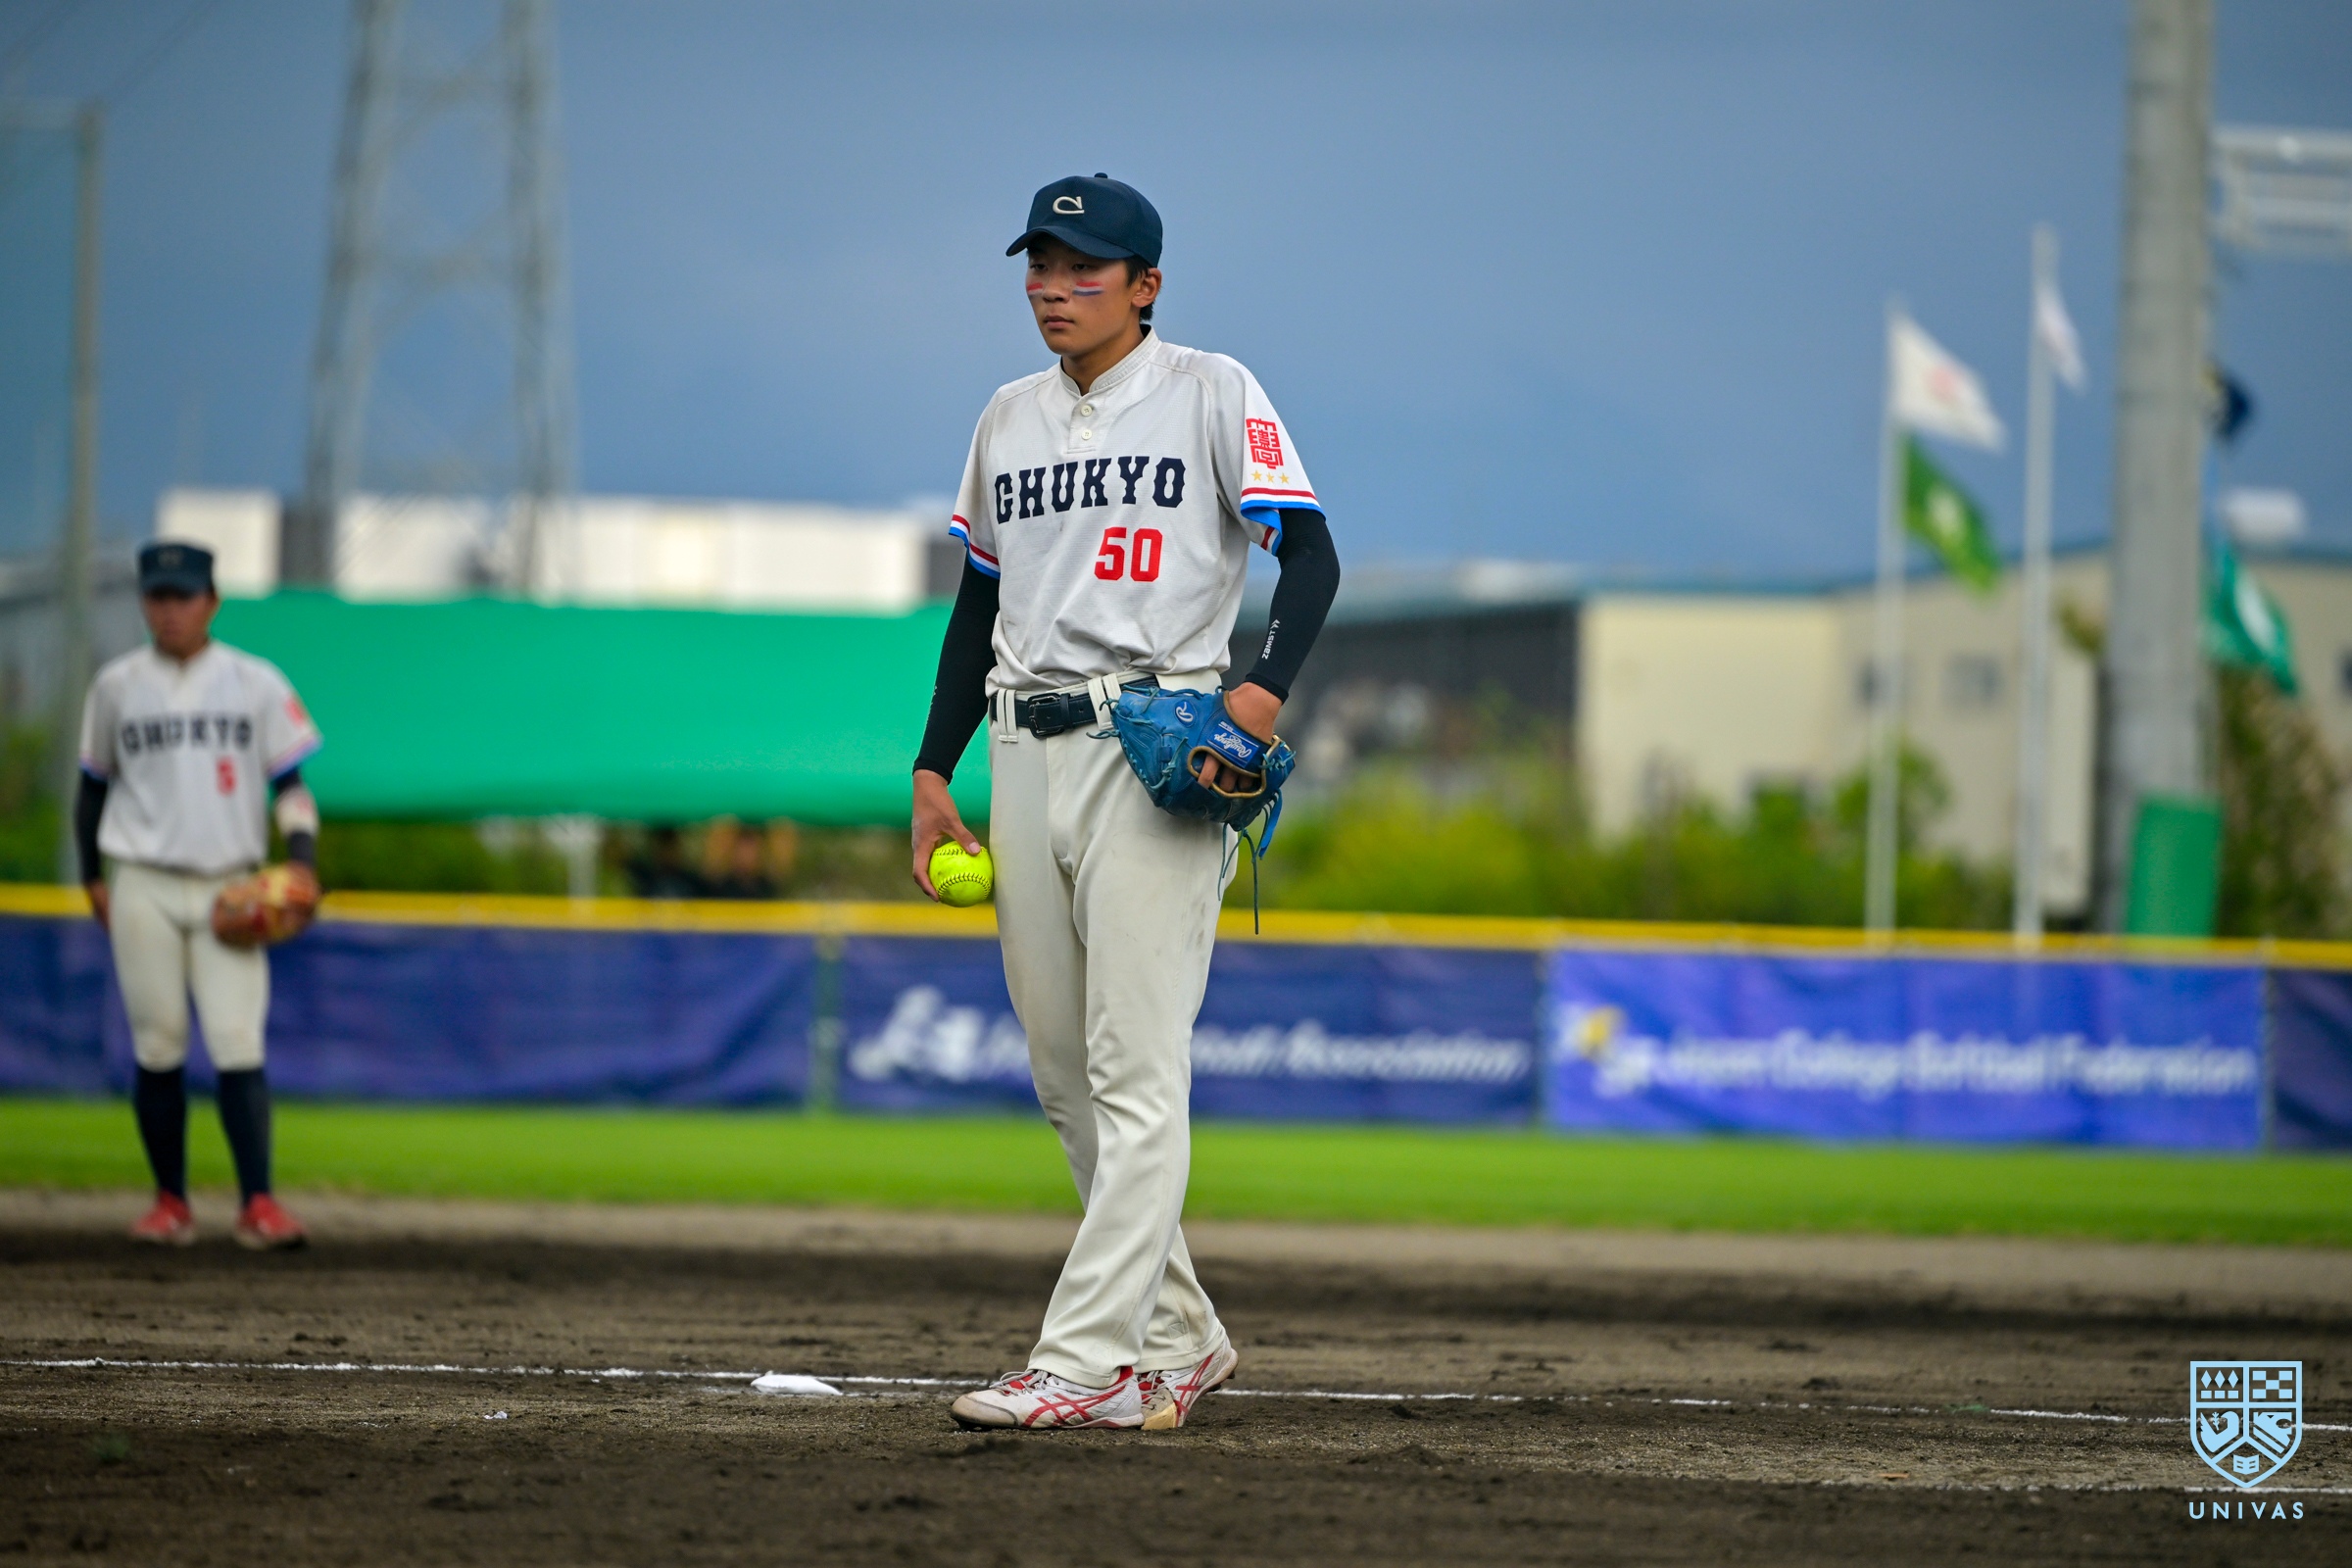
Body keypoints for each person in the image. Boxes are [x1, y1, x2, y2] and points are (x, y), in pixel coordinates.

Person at [910, 174, 1341, 1431]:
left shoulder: (1210, 390)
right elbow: (978, 605)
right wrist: (934, 770)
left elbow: (1310, 554)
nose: (1054, 286)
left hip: (1157, 741)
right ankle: (1179, 1335)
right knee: (1065, 1074)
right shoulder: (1008, 416)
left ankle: (1082, 1363)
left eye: (1083, 266)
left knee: (1135, 1071)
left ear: (1145, 285)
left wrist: (1260, 694)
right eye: (1040, 263)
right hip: (1021, 742)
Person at [77, 541, 322, 1249]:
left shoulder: (254, 681)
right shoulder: (117, 685)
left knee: (237, 1039)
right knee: (158, 1043)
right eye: (158, 596)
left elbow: (292, 786)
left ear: (212, 601)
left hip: (230, 885)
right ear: (143, 602)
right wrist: (92, 875)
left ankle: (258, 1205)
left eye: (183, 596)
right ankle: (170, 1203)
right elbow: (91, 789)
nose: (170, 609)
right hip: (143, 879)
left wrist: (301, 862)